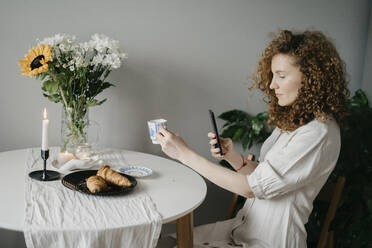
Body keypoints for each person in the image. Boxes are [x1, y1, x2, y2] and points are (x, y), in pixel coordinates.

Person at [156, 30, 349, 248]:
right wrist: (234, 158)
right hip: (243, 230)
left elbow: (251, 188)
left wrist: (184, 155)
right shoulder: (296, 121)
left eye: (281, 76)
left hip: (270, 242)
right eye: (273, 75)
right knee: (162, 242)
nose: (272, 85)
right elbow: (268, 176)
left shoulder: (318, 133)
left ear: (311, 77)